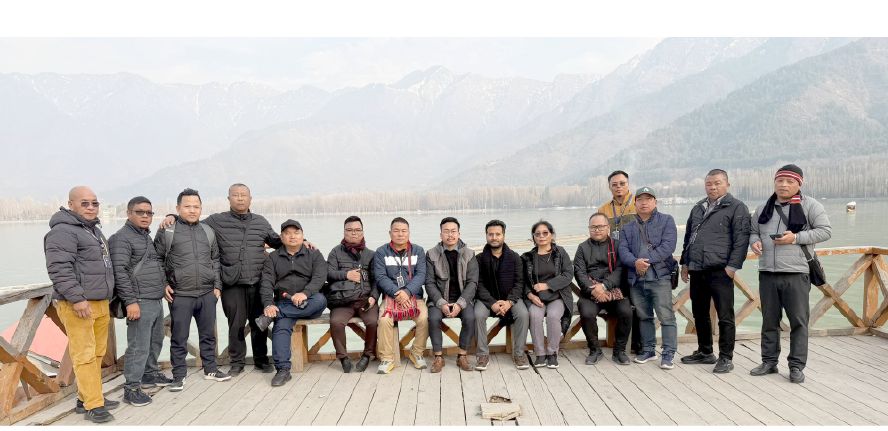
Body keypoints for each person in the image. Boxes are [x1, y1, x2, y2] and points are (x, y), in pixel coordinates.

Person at [160, 183, 281, 376]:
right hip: (232, 283)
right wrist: (172, 216)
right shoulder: (216, 221)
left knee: (260, 323)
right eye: (236, 195)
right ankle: (237, 362)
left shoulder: (261, 222)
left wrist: (303, 242)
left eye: (243, 195)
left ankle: (261, 360)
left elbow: (277, 241)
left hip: (259, 281)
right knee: (236, 325)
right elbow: (192, 222)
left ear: (250, 199)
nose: (240, 198)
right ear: (229, 199)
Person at [749, 164, 831, 384]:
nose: (783, 185)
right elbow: (753, 231)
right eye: (780, 180)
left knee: (798, 322)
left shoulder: (811, 205)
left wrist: (795, 238)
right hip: (767, 271)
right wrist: (754, 242)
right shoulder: (763, 208)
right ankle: (769, 362)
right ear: (774, 182)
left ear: (799, 184)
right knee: (769, 321)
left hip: (796, 272)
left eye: (789, 181)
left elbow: (825, 231)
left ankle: (796, 366)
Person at [44, 186, 118, 423]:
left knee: (97, 353)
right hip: (78, 304)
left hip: (100, 302)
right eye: (84, 203)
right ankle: (94, 405)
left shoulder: (93, 230)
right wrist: (77, 298)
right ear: (71, 204)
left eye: (94, 203)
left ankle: (86, 397)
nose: (91, 207)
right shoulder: (62, 232)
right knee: (84, 354)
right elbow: (59, 269)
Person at [155, 188, 230, 391]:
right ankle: (179, 375)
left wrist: (217, 285)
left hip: (207, 293)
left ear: (201, 208)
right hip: (180, 294)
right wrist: (163, 284)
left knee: (208, 335)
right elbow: (157, 260)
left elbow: (215, 259)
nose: (192, 210)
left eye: (196, 206)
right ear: (178, 208)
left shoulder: (207, 231)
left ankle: (211, 369)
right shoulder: (168, 231)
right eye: (187, 206)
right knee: (179, 337)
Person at [679, 169, 751, 373]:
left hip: (721, 270)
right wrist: (685, 263)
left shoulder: (737, 207)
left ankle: (726, 357)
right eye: (709, 184)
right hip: (697, 269)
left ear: (727, 184)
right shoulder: (698, 207)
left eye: (717, 183)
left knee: (725, 315)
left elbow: (741, 240)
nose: (712, 187)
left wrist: (732, 267)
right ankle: (705, 351)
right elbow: (689, 238)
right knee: (699, 313)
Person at [109, 196, 174, 407]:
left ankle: (149, 374)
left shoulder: (144, 236)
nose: (145, 216)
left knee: (155, 341)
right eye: (140, 212)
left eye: (149, 213)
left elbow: (153, 265)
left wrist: (163, 284)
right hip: (139, 300)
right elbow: (120, 273)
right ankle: (131, 388)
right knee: (138, 346)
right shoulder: (121, 239)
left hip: (154, 298)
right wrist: (130, 302)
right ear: (129, 213)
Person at [259, 220, 328, 386]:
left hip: (310, 302)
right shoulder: (273, 258)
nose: (292, 236)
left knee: (321, 300)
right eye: (288, 233)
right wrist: (268, 304)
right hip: (285, 301)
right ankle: (283, 370)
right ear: (281, 237)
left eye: (296, 233)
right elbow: (266, 283)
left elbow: (320, 277)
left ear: (303, 236)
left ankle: (278, 313)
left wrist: (305, 293)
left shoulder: (314, 254)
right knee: (281, 328)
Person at [618, 187, 678, 370]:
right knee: (644, 316)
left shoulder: (667, 220)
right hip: (636, 279)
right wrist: (635, 262)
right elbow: (623, 250)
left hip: (660, 277)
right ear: (635, 203)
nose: (644, 203)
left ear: (655, 202)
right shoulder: (627, 227)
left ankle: (668, 354)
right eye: (640, 199)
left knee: (666, 316)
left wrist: (645, 261)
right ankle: (648, 350)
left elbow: (668, 246)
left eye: (648, 199)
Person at [373, 217, 430, 374]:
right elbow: (380, 277)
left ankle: (416, 353)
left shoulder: (418, 251)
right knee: (384, 320)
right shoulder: (381, 252)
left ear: (409, 233)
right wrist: (397, 293)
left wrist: (407, 292)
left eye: (404, 231)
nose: (400, 234)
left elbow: (421, 275)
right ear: (390, 233)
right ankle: (387, 358)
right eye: (396, 231)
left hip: (414, 296)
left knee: (424, 318)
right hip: (391, 297)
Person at [574, 213, 632, 365]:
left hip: (614, 290)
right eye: (593, 227)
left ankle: (619, 351)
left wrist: (604, 286)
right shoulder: (582, 248)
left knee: (626, 312)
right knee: (586, 313)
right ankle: (595, 350)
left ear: (608, 228)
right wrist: (594, 290)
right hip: (591, 292)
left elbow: (620, 270)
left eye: (600, 226)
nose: (597, 230)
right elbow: (579, 273)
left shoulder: (618, 245)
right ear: (589, 229)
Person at [473, 220, 530, 370]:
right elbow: (478, 284)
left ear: (503, 235)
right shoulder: (479, 259)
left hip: (511, 299)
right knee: (477, 314)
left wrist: (509, 302)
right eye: (490, 234)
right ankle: (482, 354)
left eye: (498, 234)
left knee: (523, 314)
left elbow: (519, 283)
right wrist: (492, 302)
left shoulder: (515, 257)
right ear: (486, 235)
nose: (494, 237)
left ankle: (519, 353)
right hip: (486, 300)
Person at [325, 216, 378, 373]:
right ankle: (343, 357)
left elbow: (377, 280)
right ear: (344, 232)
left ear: (362, 232)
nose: (353, 233)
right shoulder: (335, 252)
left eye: (357, 230)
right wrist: (346, 275)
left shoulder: (371, 254)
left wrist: (374, 297)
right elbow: (328, 273)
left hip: (365, 300)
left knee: (373, 322)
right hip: (342, 300)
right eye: (349, 230)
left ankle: (367, 355)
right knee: (336, 322)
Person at [425, 217, 478, 372]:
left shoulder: (469, 254)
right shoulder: (431, 254)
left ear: (459, 234)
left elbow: (472, 283)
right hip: (439, 299)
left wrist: (460, 304)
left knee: (470, 317)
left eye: (453, 231)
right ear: (440, 234)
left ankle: (462, 355)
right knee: (433, 318)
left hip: (463, 299)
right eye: (446, 231)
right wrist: (441, 302)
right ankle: (438, 357)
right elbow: (429, 283)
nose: (450, 235)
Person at [598, 170, 642, 355]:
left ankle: (639, 344)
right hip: (615, 262)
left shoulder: (638, 204)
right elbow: (600, 235)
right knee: (622, 303)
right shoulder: (603, 209)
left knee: (639, 303)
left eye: (622, 183)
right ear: (609, 187)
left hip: (635, 262)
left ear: (628, 184)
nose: (618, 187)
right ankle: (619, 344)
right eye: (614, 184)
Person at [522, 221, 574, 369]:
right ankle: (540, 354)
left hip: (558, 296)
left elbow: (568, 274)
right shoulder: (527, 257)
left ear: (552, 235)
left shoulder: (560, 253)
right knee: (534, 316)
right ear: (533, 237)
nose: (542, 236)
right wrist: (530, 296)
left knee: (553, 316)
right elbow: (522, 281)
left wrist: (547, 285)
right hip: (536, 298)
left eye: (545, 233)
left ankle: (552, 353)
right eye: (537, 234)